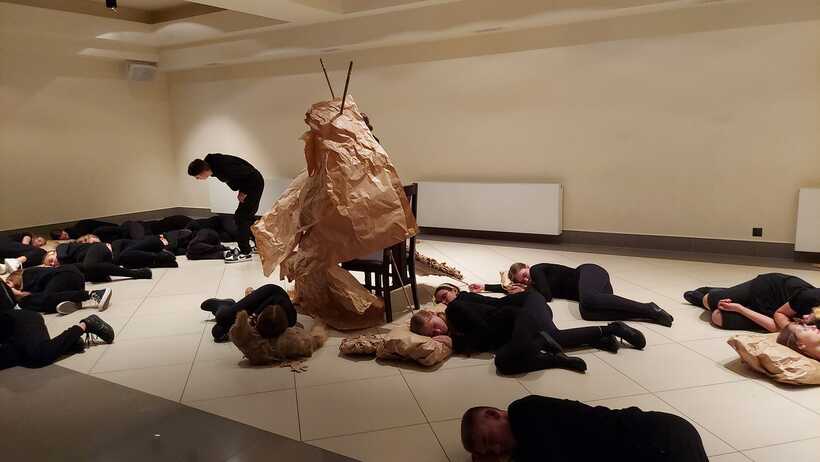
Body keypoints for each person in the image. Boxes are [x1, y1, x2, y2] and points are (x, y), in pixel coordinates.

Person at [411, 284, 646, 374]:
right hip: (517, 315)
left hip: (525, 307)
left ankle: (610, 329)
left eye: (445, 295)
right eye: (432, 334)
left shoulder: (457, 307)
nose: (437, 333)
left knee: (550, 337)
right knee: (505, 361)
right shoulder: (456, 315)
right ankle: (580, 347)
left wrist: (456, 343)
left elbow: (484, 332)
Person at [461, 395, 708, 462]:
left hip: (657, 437)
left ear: (494, 414)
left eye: (489, 440)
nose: (496, 449)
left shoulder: (523, 410)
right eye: (490, 451)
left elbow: (547, 455)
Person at [474, 262, 673, 327]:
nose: (526, 280)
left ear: (527, 266)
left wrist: (526, 289)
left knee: (588, 300)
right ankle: (645, 314)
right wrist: (484, 286)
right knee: (587, 312)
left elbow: (546, 295)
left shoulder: (537, 270)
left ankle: (649, 307)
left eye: (524, 275)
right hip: (595, 290)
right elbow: (509, 288)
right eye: (523, 281)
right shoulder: (531, 285)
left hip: (590, 272)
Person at [1, 279, 115, 370]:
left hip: (19, 321)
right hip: (10, 329)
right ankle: (68, 342)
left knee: (38, 356)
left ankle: (85, 325)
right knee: (20, 357)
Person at [188, 154, 264, 263]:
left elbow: (249, 174)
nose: (197, 179)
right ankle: (260, 245)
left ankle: (245, 252)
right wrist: (241, 190)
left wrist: (244, 191)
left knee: (241, 217)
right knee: (246, 217)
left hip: (254, 184)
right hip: (250, 184)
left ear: (203, 171)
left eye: (197, 176)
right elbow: (238, 177)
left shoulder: (223, 166)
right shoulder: (212, 166)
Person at [683, 273, 820, 332]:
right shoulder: (810, 297)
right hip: (769, 290)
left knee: (718, 317)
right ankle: (715, 293)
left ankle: (737, 299)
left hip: (775, 317)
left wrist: (740, 309)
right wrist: (793, 331)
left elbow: (777, 328)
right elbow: (780, 315)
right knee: (710, 301)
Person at [200, 284, 296, 342]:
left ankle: (229, 306)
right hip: (271, 292)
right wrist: (254, 315)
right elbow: (274, 298)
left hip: (266, 310)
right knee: (224, 317)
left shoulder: (290, 322)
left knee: (219, 331)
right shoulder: (289, 314)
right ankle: (222, 306)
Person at [7, 266, 112, 314]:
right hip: (71, 281)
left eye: (8, 283)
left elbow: (36, 297)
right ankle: (74, 301)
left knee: (41, 300)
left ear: (14, 277)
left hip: (65, 274)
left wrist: (19, 295)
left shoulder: (26, 275)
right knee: (44, 301)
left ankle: (93, 294)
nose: (9, 287)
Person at [48, 242, 151, 283]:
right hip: (98, 261)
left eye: (50, 260)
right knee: (84, 271)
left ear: (52, 253)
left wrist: (61, 267)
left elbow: (62, 256)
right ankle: (102, 274)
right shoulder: (67, 263)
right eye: (50, 265)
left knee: (88, 266)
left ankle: (136, 273)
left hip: (96, 248)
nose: (52, 264)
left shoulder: (60, 248)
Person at [50, 219, 118, 241]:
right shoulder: (73, 232)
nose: (65, 237)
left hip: (108, 231)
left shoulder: (75, 231)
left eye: (64, 235)